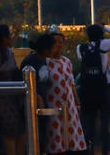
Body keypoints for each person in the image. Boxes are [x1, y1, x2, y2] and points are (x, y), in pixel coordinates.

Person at [0, 24, 26, 155]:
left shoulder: (8, 53)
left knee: (20, 132)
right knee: (9, 133)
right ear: (4, 38)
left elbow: (15, 72)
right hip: (2, 100)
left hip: (14, 98)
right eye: (10, 35)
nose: (12, 38)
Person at [44, 32, 87, 154]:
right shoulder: (45, 62)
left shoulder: (67, 61)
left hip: (69, 105)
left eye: (60, 42)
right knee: (56, 138)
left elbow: (71, 84)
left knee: (71, 138)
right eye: (55, 42)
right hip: (54, 106)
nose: (58, 45)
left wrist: (77, 103)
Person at [77, 25, 110, 155]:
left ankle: (89, 148)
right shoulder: (104, 45)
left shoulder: (80, 48)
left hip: (87, 89)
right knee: (105, 119)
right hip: (103, 87)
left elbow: (81, 60)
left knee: (89, 119)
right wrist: (106, 28)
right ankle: (105, 150)